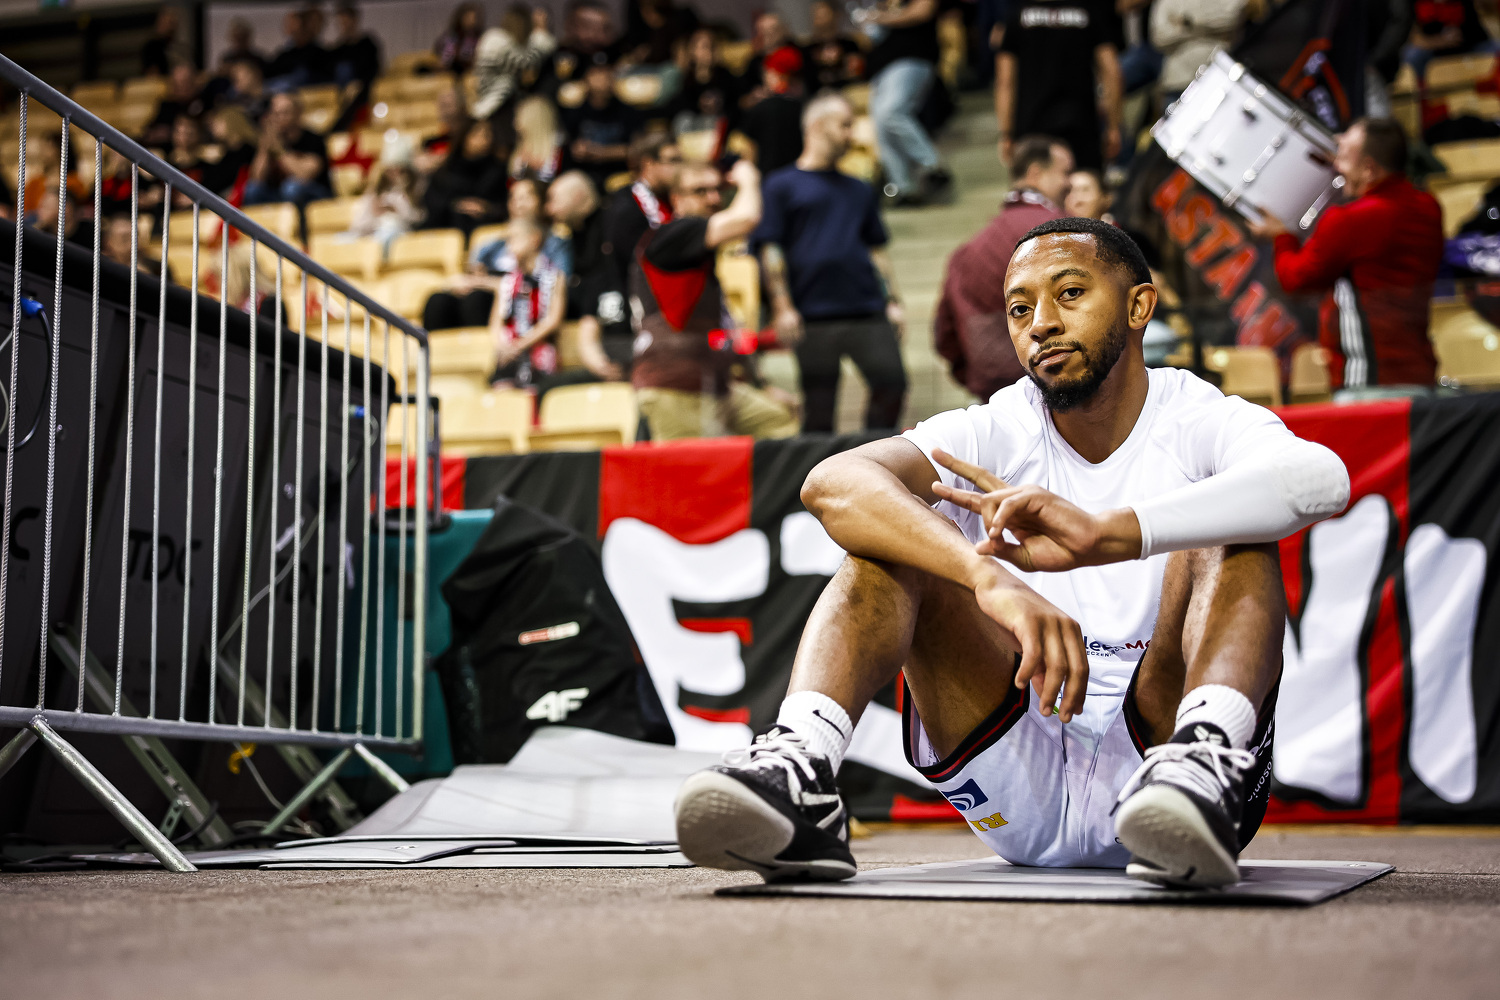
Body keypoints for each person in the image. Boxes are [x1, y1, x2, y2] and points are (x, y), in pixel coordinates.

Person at [672, 215, 1352, 887]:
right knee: (890, 536)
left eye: (1070, 293)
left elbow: (1320, 480)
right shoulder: (1002, 424)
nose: (1041, 324)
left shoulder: (1197, 414)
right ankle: (801, 764)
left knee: (1235, 522)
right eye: (1019, 308)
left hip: (1165, 748)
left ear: (1139, 306)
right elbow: (831, 484)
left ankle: (1206, 752)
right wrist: (985, 577)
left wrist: (1106, 533)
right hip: (1020, 752)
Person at [1247, 117, 1443, 396]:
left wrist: (1282, 236)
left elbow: (1295, 278)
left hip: (1369, 386)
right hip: (1421, 378)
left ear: (1369, 168)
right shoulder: (1429, 207)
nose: (1337, 166)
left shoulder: (1351, 220)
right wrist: (1349, 155)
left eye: (1344, 156)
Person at [753, 94, 907, 433]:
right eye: (845, 125)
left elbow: (875, 250)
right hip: (812, 316)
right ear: (817, 126)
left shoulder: (859, 188)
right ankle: (821, 468)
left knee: (892, 384)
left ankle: (871, 455)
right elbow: (771, 248)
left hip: (866, 309)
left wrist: (892, 301)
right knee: (819, 408)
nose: (852, 134)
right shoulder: (781, 185)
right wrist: (782, 306)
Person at [630, 159, 798, 440]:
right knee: (690, 466)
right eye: (700, 191)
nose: (713, 199)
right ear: (677, 199)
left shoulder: (698, 259)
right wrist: (748, 179)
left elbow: (722, 335)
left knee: (779, 421)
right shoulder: (672, 235)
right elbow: (746, 219)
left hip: (712, 384)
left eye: (717, 190)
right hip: (675, 386)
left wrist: (761, 385)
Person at [934, 135, 1070, 400]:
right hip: (1063, 388)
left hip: (996, 392)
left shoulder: (967, 252)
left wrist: (981, 381)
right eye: (1065, 172)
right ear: (1036, 173)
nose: (1069, 182)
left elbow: (945, 336)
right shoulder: (1065, 233)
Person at [423, 176, 566, 329]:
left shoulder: (555, 241)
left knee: (476, 300)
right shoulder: (492, 244)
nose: (518, 204)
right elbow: (474, 273)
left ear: (542, 203)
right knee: (438, 301)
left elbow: (556, 283)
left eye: (525, 198)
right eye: (514, 198)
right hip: (489, 290)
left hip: (518, 299)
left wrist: (487, 283)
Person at [996, 0, 1122, 171]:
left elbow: (1005, 81)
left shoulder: (1017, 15)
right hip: (1080, 123)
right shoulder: (1088, 11)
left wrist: (1006, 133)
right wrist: (1113, 126)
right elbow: (1112, 72)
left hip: (1032, 126)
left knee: (1035, 184)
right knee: (1083, 184)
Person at [863, 0, 950, 205]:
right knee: (881, 126)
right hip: (881, 67)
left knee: (891, 112)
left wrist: (881, 17)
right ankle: (904, 188)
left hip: (911, 59)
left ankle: (933, 166)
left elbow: (921, 12)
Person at [489, 218, 568, 389]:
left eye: (514, 238)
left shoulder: (554, 277)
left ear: (534, 239)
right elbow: (495, 323)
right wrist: (502, 346)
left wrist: (520, 345)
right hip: (509, 354)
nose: (509, 245)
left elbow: (553, 320)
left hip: (539, 352)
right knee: (502, 390)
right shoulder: (506, 282)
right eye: (507, 239)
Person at [600, 132, 681, 285]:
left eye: (681, 161)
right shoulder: (627, 208)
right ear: (648, 163)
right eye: (672, 161)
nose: (679, 168)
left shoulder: (676, 199)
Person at [419, 118, 509, 235]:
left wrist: (487, 208)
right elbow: (431, 201)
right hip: (446, 227)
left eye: (487, 135)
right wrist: (456, 205)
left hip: (485, 228)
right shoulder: (447, 169)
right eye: (477, 134)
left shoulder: (498, 171)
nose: (483, 140)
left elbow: (505, 204)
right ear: (464, 136)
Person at [243, 92, 331, 208]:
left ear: (297, 114)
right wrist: (264, 148)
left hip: (315, 195)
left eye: (285, 113)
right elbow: (256, 179)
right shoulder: (271, 141)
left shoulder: (313, 139)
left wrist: (280, 151)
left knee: (291, 187)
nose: (279, 118)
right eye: (275, 114)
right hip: (280, 195)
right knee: (252, 190)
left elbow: (305, 174)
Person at [1151, 0, 1247, 105]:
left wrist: (1185, 23)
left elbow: (1231, 18)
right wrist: (1209, 30)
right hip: (1178, 82)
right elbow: (1159, 37)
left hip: (1217, 79)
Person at [472, 5, 557, 125]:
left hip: (497, 106)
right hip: (494, 108)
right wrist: (541, 32)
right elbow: (527, 62)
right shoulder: (496, 41)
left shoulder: (501, 41)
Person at [562, 61, 640, 187]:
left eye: (607, 72)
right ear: (586, 79)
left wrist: (600, 153)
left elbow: (636, 149)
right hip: (583, 176)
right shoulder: (575, 112)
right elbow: (567, 145)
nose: (604, 78)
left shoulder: (628, 112)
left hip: (619, 176)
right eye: (597, 73)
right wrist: (577, 149)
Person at [736, 46, 806, 176]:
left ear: (777, 75)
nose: (764, 78)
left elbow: (747, 148)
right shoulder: (807, 109)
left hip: (767, 178)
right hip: (799, 176)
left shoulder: (760, 108)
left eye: (767, 72)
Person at [349, 159, 422, 251]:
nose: (394, 174)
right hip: (371, 234)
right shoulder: (370, 198)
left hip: (396, 233)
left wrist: (394, 210)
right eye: (390, 171)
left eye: (399, 171)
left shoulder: (403, 195)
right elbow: (359, 225)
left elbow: (415, 217)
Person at [802, 0, 865, 93]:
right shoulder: (808, 50)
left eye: (824, 15)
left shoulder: (850, 45)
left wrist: (842, 61)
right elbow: (808, 82)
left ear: (836, 16)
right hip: (820, 95)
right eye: (817, 16)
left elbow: (859, 75)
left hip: (850, 91)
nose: (821, 21)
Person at [511, 95, 571, 183]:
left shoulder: (560, 149)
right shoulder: (520, 150)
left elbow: (552, 181)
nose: (516, 125)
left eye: (519, 118)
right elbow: (511, 184)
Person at [266, 9, 329, 89]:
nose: (292, 29)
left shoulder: (318, 53)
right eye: (289, 24)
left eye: (294, 25)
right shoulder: (286, 54)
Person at [328, 3, 382, 89]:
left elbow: (374, 69)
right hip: (341, 90)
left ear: (354, 20)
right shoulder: (338, 49)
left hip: (363, 87)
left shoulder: (367, 44)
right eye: (340, 23)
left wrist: (360, 83)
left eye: (345, 22)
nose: (342, 26)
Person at [435, 2, 486, 75]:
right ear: (461, 18)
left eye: (473, 18)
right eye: (468, 18)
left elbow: (477, 58)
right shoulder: (452, 35)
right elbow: (444, 57)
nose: (471, 22)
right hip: (449, 71)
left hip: (470, 72)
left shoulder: (478, 37)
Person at [141, 6, 180, 77]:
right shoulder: (151, 47)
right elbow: (153, 75)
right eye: (168, 23)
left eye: (173, 24)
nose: (171, 28)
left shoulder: (177, 48)